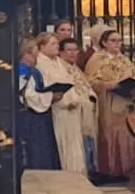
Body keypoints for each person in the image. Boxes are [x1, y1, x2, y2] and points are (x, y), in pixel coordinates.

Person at [25, 34, 91, 176]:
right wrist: (58, 99)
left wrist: (74, 99)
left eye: (56, 43)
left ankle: (77, 174)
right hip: (57, 110)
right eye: (52, 44)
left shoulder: (60, 62)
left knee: (74, 145)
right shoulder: (40, 64)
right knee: (62, 144)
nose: (56, 46)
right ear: (41, 47)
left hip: (71, 111)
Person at [84, 29, 135, 182]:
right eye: (113, 41)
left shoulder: (125, 59)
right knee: (110, 133)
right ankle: (111, 169)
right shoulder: (96, 59)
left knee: (127, 133)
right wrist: (108, 84)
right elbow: (89, 81)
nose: (117, 44)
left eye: (119, 41)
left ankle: (127, 168)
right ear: (104, 42)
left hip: (125, 100)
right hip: (108, 100)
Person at [13, 41, 61, 173]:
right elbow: (27, 95)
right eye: (35, 54)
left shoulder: (34, 71)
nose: (37, 58)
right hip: (29, 116)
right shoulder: (21, 70)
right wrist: (51, 96)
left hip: (40, 116)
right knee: (34, 150)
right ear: (27, 53)